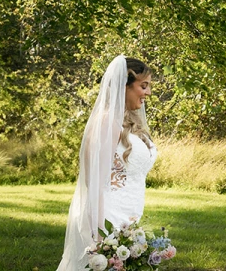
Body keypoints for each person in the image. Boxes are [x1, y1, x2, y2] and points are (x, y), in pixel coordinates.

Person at [57, 55, 157, 271]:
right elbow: (95, 184)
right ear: (125, 86)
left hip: (128, 221)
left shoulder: (129, 123)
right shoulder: (106, 123)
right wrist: (100, 236)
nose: (148, 93)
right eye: (143, 86)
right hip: (108, 222)